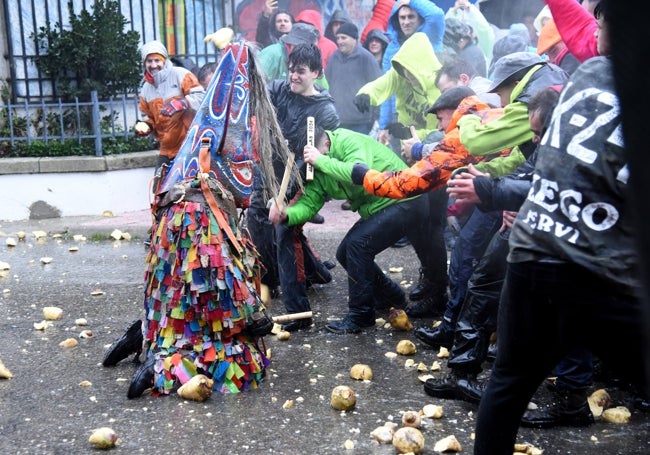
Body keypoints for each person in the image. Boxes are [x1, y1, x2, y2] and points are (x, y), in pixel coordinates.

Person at [473, 4, 649, 452]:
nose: (600, 29)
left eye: (607, 21)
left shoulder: (586, 73)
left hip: (535, 251)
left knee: (508, 384)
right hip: (599, 269)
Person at [106, 41, 285, 399]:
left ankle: (148, 333)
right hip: (195, 216)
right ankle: (166, 362)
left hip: (175, 214)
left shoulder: (206, 130)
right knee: (223, 318)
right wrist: (253, 313)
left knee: (178, 287)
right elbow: (240, 191)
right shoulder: (226, 137)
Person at [269, 127, 437, 334]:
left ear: (326, 145)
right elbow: (310, 203)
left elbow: (358, 173)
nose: (311, 165)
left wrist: (320, 160)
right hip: (380, 207)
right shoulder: (317, 168)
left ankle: (361, 315)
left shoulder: (347, 140)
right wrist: (287, 214)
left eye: (314, 157)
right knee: (344, 252)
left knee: (357, 246)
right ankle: (390, 295)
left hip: (406, 198)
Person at [246, 43, 341, 332]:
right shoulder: (278, 89)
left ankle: (299, 312)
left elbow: (324, 154)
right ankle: (288, 277)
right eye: (291, 70)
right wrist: (248, 61)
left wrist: (287, 194)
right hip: (270, 166)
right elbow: (255, 90)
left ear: (316, 73)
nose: (293, 76)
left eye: (300, 71)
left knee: (285, 230)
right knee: (256, 217)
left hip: (301, 175)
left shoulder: (326, 111)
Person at [133, 40, 205, 193]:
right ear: (144, 63)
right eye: (149, 61)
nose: (153, 65)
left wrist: (183, 103)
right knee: (160, 191)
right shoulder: (146, 89)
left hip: (190, 145)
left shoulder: (181, 74)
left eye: (157, 60)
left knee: (192, 189)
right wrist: (146, 126)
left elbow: (202, 98)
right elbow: (148, 116)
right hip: (167, 149)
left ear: (164, 60)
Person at [378, 0, 445, 151]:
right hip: (401, 115)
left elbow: (436, 14)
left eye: (411, 17)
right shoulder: (392, 48)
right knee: (401, 165)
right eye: (402, 17)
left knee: (427, 163)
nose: (406, 22)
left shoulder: (430, 37)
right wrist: (384, 126)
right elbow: (387, 89)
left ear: (420, 18)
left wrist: (410, 0)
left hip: (430, 112)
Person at [325, 22, 382, 135]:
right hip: (337, 122)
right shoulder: (333, 58)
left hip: (361, 124)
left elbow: (379, 87)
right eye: (338, 38)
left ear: (354, 39)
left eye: (343, 38)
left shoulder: (366, 58)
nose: (340, 41)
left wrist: (376, 117)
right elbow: (327, 85)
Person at [434, 54, 500, 107]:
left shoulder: (481, 96)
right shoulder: (482, 89)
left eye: (447, 91)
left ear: (464, 79)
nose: (445, 98)